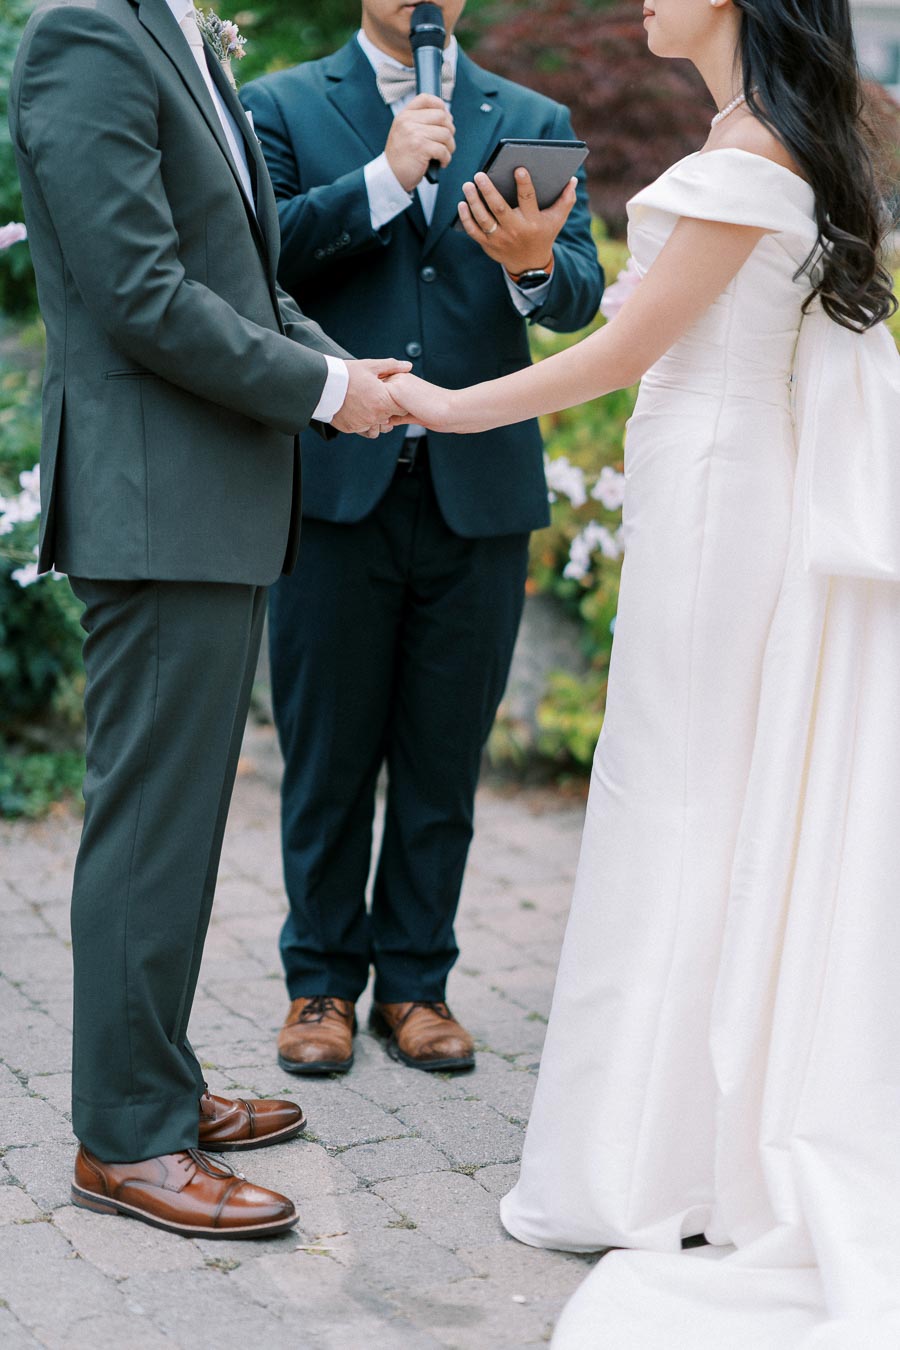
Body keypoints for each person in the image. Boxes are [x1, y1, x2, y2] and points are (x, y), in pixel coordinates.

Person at [385, 0, 900, 1341]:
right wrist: (543, 257)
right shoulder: (782, 133)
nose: (642, 2)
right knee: (693, 801)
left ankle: (648, 1156)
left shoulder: (750, 158)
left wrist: (442, 404)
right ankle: (688, 1131)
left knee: (676, 807)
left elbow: (624, 351)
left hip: (723, 494)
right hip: (724, 483)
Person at [7, 0, 411, 1237]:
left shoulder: (179, 31)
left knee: (177, 829)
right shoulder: (87, 32)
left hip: (208, 497)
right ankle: (126, 1142)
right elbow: (139, 289)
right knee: (148, 832)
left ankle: (159, 1091)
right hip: (156, 497)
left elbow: (240, 269)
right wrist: (323, 391)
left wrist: (346, 369)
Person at [240, 0, 602, 1075]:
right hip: (334, 487)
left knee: (444, 758)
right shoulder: (283, 106)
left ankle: (417, 984)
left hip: (478, 494)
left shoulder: (530, 114)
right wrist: (386, 181)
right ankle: (318, 984)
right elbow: (260, 262)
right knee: (327, 755)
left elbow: (577, 298)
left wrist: (535, 264)